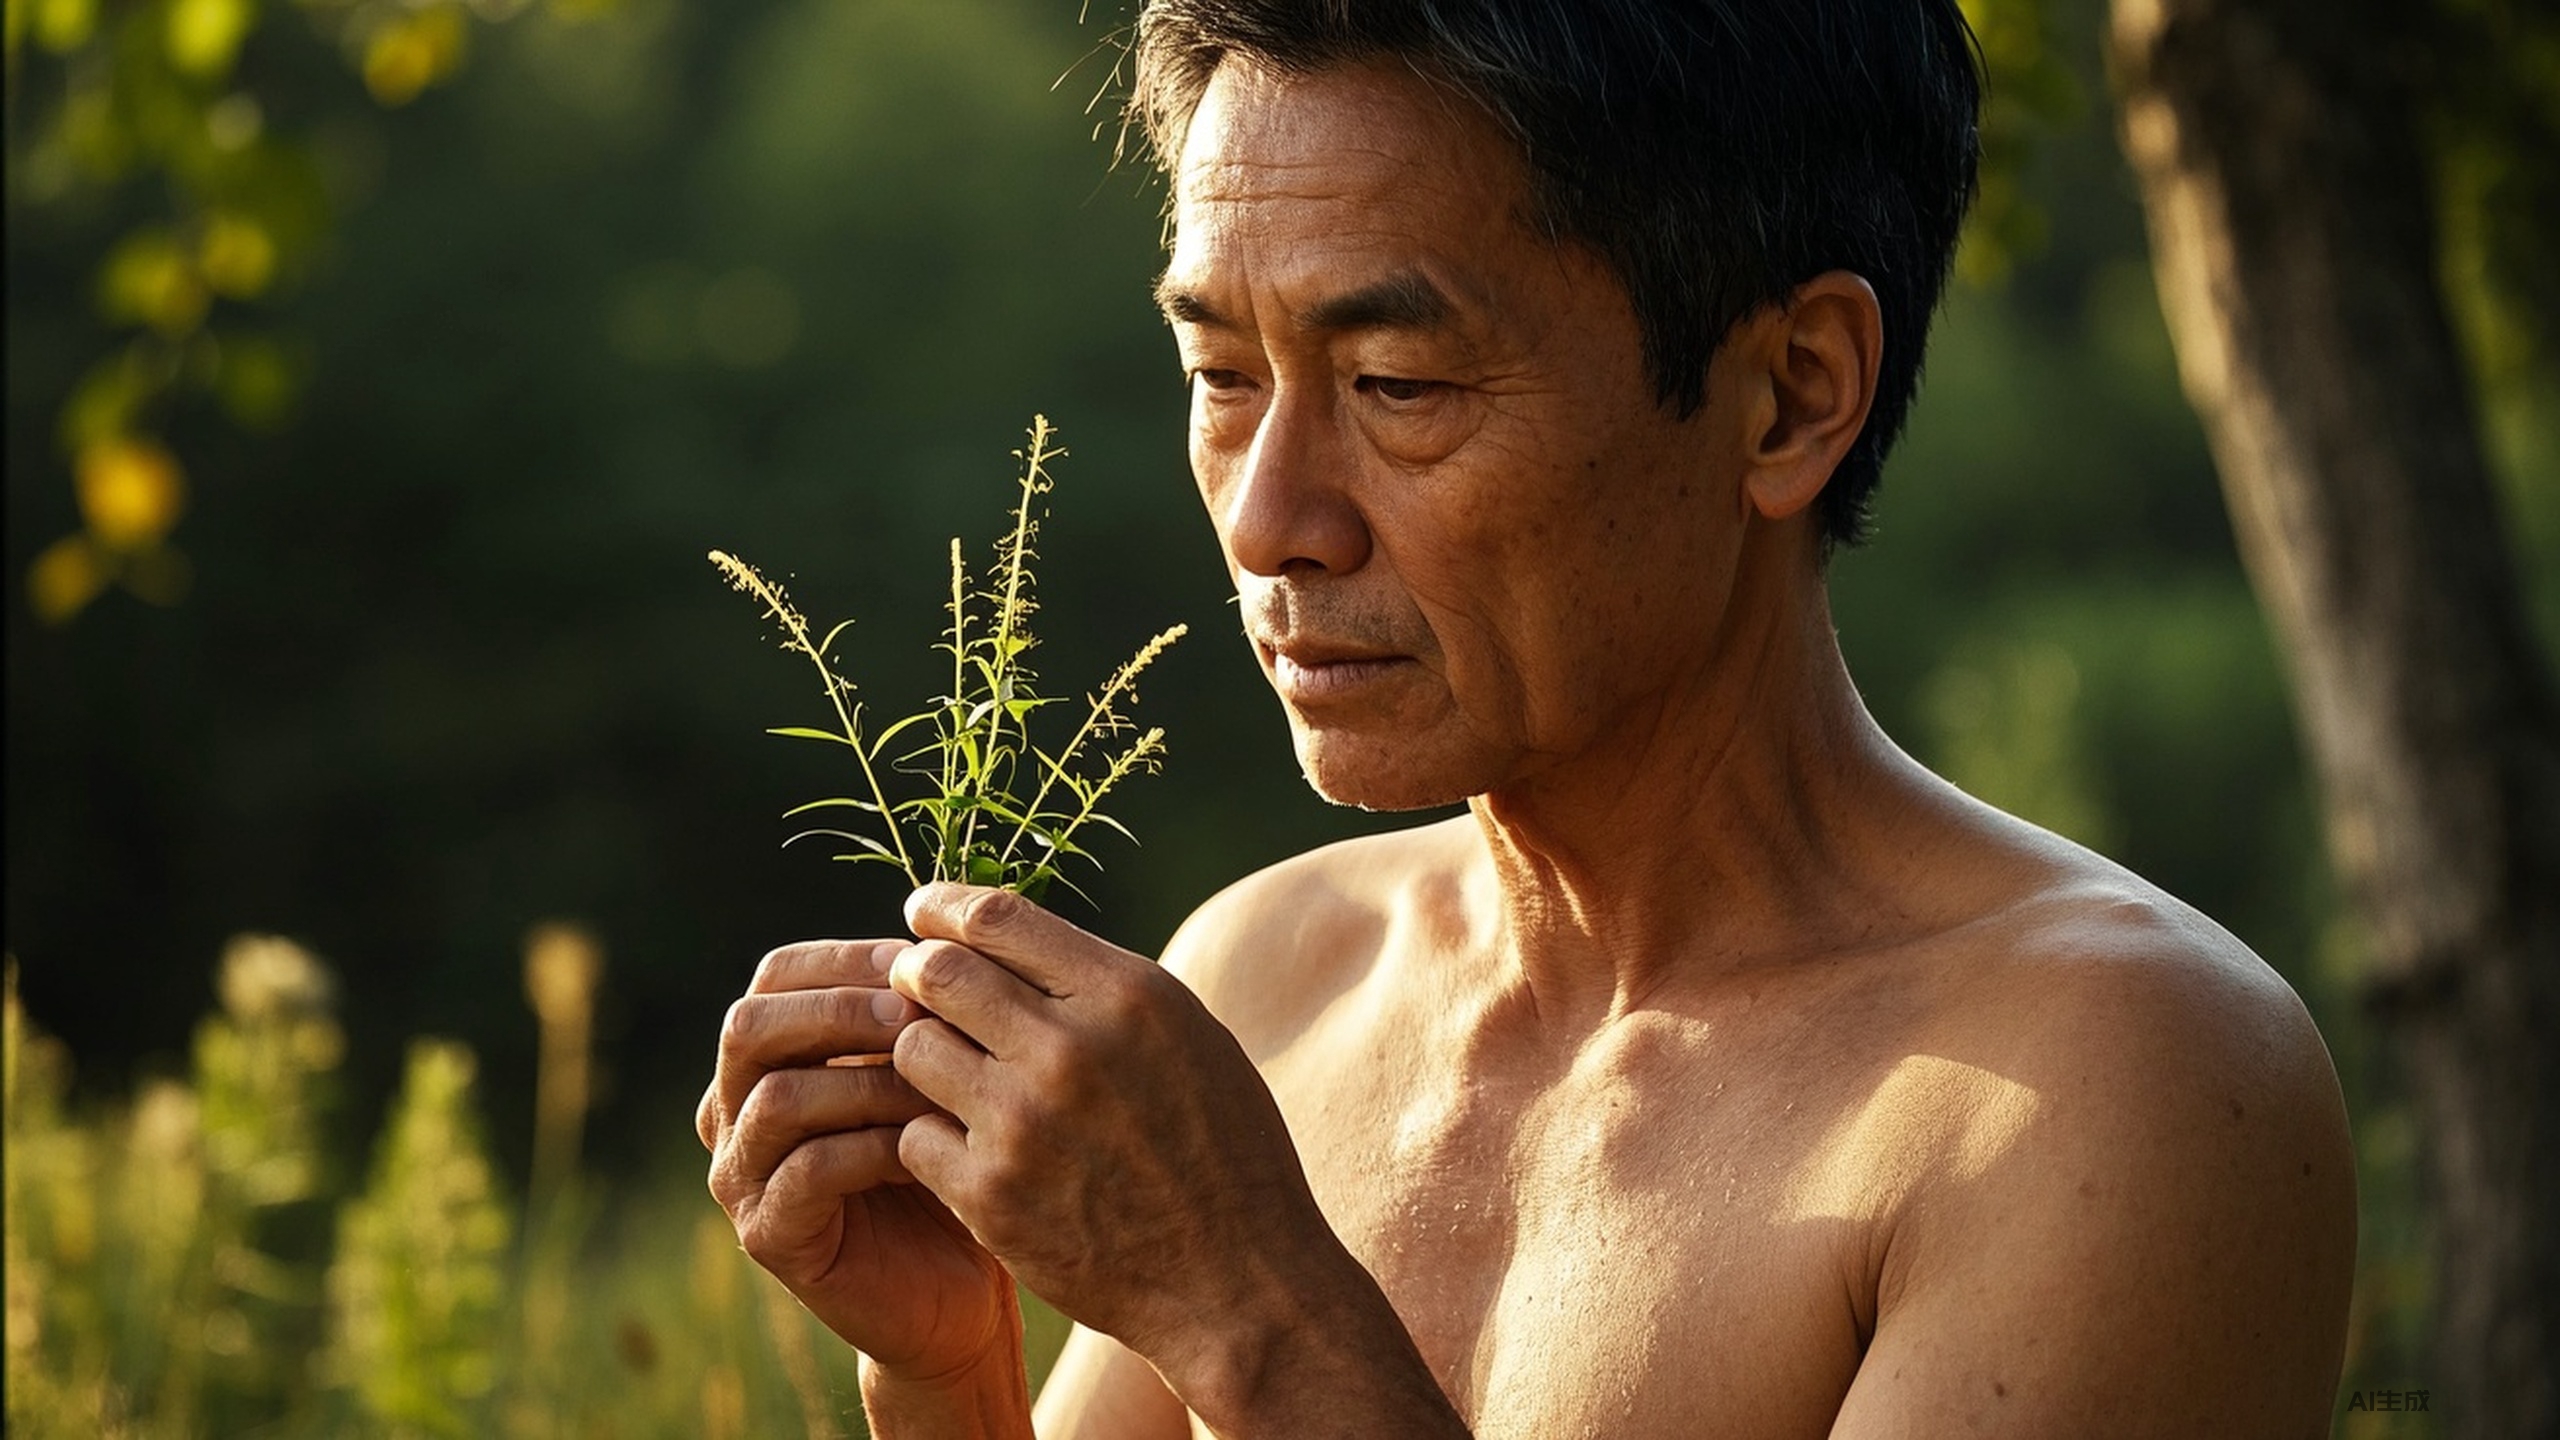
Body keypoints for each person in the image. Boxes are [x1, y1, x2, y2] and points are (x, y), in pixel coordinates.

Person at [697, 2, 2359, 1435]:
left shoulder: (2108, 1090)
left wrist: (1261, 1323)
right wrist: (950, 1385)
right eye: (1222, 376)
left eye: (1398, 386)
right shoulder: (1270, 978)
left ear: (1791, 395)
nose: (1273, 517)